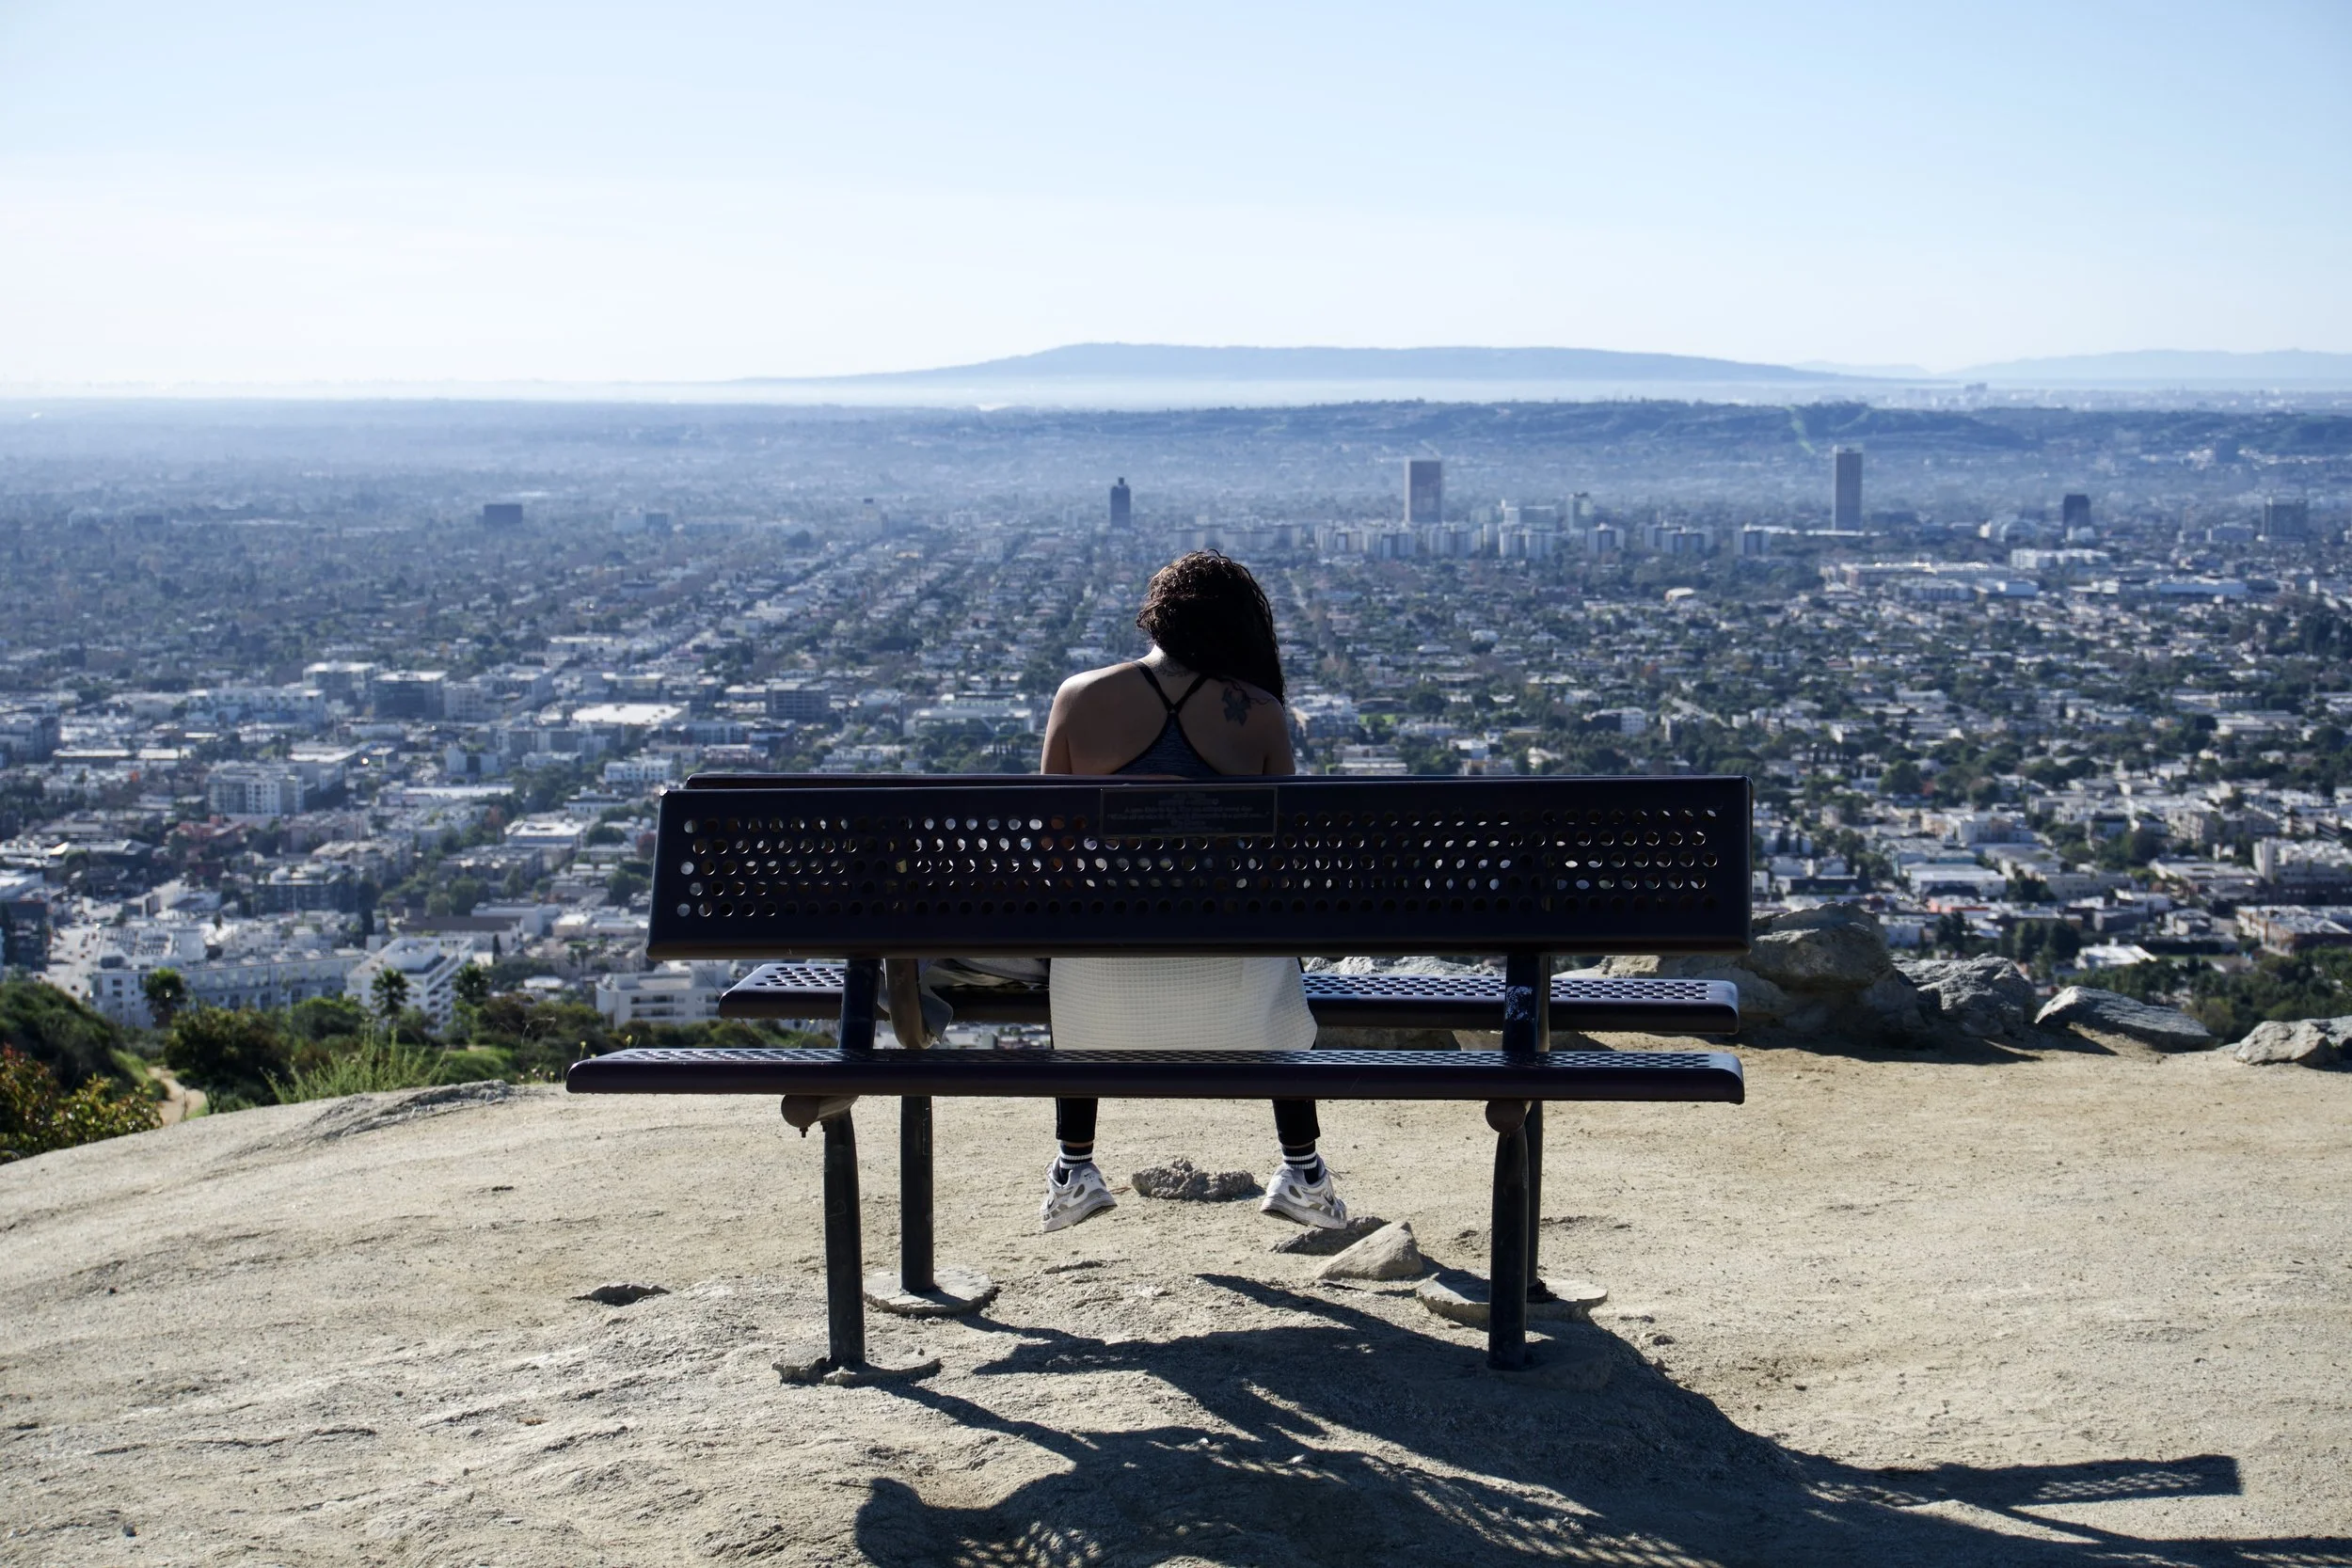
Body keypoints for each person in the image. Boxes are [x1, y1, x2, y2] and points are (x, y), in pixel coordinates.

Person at [1033, 551, 1348, 1234]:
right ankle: (1304, 1168)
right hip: (1235, 989)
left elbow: (1052, 853)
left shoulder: (1079, 698)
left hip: (1100, 989)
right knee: (1275, 954)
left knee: (1086, 924)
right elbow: (1281, 865)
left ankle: (1074, 1165)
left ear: (1155, 616)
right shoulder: (1259, 715)